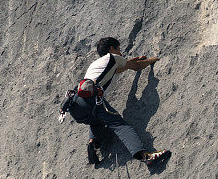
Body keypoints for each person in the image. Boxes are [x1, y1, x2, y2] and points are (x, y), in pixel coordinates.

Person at [72, 36, 171, 167]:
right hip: (93, 100)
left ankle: (93, 143)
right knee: (120, 125)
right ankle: (145, 156)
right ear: (112, 48)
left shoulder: (96, 64)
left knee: (97, 120)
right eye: (118, 49)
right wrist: (151, 61)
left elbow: (120, 69)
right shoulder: (113, 57)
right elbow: (134, 67)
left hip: (76, 105)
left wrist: (131, 61)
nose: (120, 53)